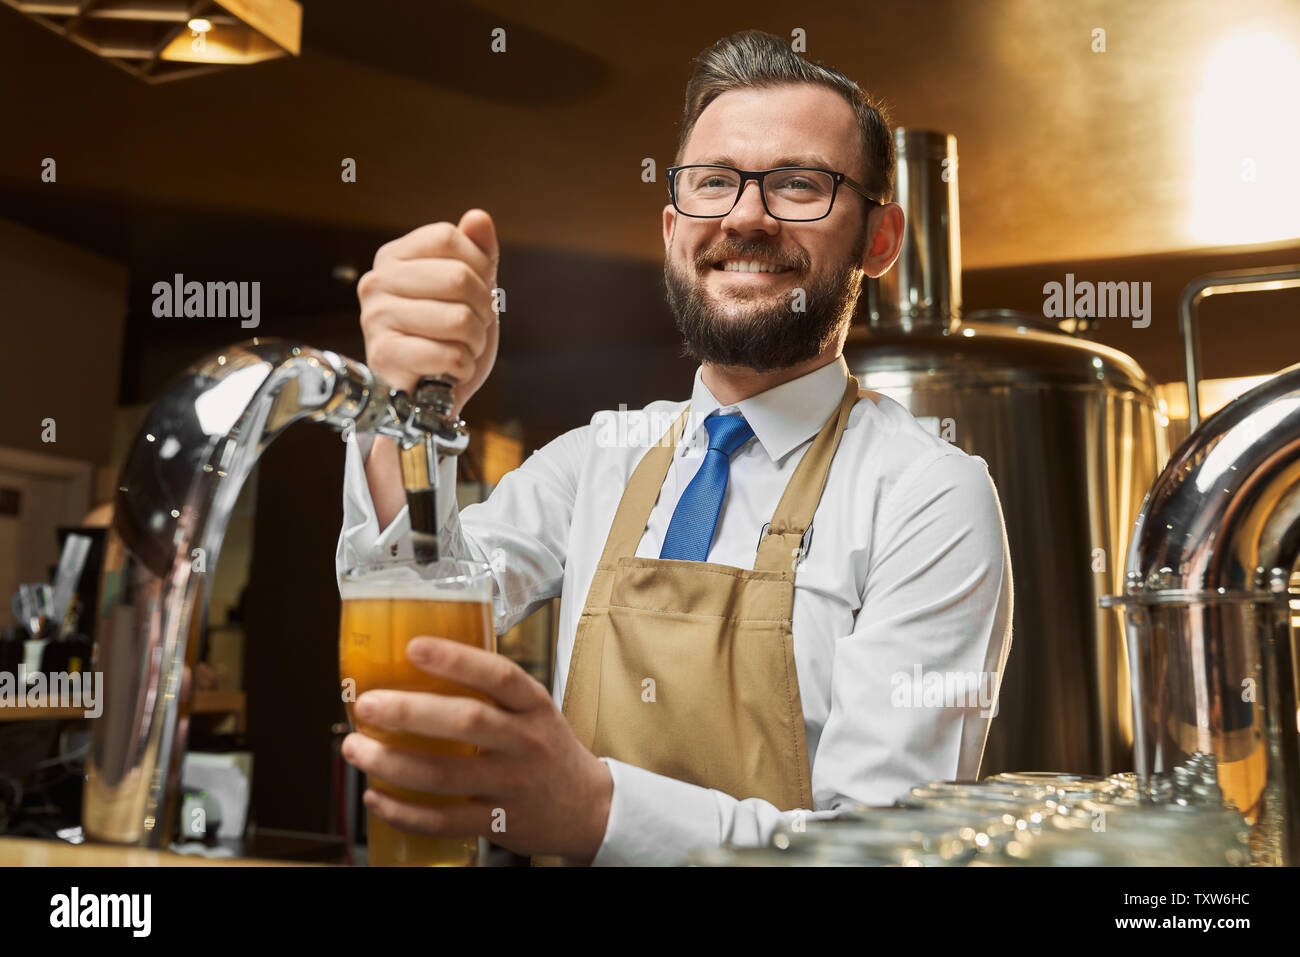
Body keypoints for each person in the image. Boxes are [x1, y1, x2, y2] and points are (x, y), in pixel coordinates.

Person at [336, 29, 1013, 866]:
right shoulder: (597, 457)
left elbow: (881, 852)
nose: (745, 216)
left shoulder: (928, 493)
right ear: (671, 228)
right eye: (714, 183)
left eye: (800, 184)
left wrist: (596, 809)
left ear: (880, 241)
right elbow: (416, 594)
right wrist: (407, 413)